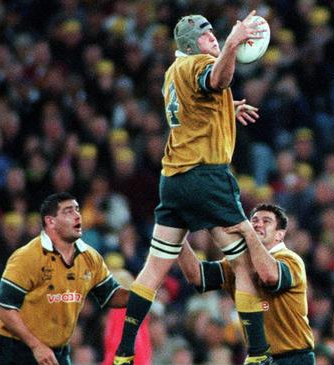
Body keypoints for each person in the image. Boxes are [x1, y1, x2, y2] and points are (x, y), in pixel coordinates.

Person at [113, 11, 272, 365]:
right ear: (191, 44)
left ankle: (124, 350)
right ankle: (259, 353)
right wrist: (234, 42)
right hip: (206, 176)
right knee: (244, 263)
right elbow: (218, 78)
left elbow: (195, 107)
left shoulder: (172, 73)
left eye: (214, 32)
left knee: (153, 269)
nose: (212, 37)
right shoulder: (200, 63)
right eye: (206, 35)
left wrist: (226, 109)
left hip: (173, 179)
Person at [0, 192, 129, 365]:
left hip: (58, 349)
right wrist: (36, 346)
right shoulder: (28, 256)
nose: (77, 215)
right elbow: (3, 308)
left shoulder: (90, 257)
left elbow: (113, 296)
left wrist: (146, 291)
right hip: (16, 349)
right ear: (50, 221)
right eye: (68, 211)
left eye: (77, 210)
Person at [178, 203, 315, 364]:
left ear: (279, 235)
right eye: (254, 220)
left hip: (293, 358)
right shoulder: (239, 264)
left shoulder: (290, 259)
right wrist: (176, 237)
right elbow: (197, 276)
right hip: (259, 358)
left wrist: (249, 235)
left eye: (266, 221)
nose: (258, 224)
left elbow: (270, 275)